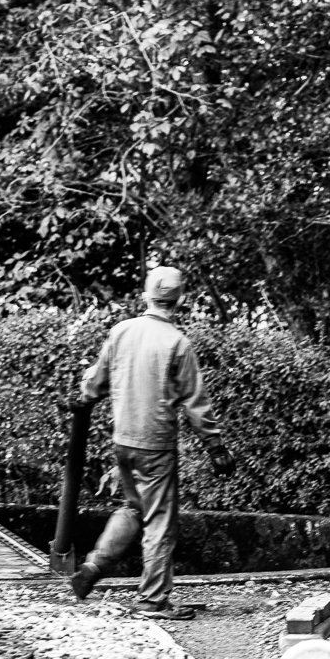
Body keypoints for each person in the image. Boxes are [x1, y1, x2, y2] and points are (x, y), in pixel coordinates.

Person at [69, 265, 235, 619]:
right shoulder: (178, 342)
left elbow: (94, 383)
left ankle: (95, 566)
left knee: (134, 507)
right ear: (180, 301)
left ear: (145, 296)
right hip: (156, 445)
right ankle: (153, 600)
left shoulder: (121, 331)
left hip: (123, 441)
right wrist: (215, 446)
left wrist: (83, 399)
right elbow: (195, 402)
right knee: (159, 521)